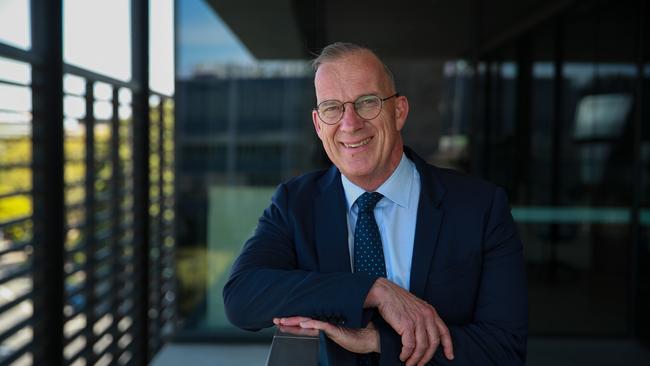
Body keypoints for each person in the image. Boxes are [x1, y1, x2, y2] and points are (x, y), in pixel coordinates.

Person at [223, 42, 528, 366]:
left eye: (367, 102)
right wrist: (372, 291)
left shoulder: (480, 207)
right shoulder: (295, 204)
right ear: (318, 124)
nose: (350, 123)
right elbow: (242, 298)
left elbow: (504, 350)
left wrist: (379, 342)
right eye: (332, 108)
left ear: (399, 111)